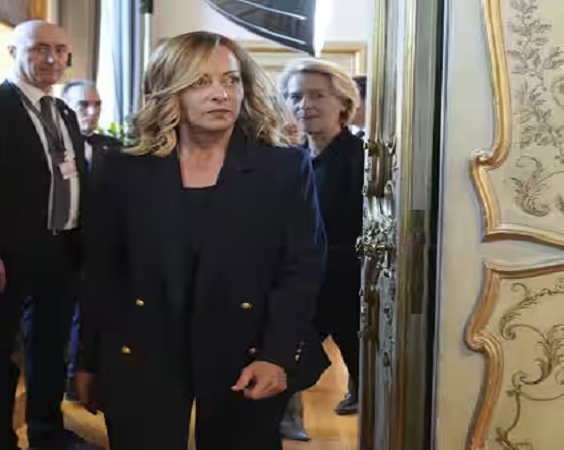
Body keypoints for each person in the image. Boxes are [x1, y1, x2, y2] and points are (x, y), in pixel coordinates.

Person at [74, 31, 330, 450]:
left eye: (231, 80)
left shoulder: (284, 169)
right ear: (167, 91)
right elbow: (101, 274)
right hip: (142, 353)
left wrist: (277, 355)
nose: (220, 94)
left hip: (246, 353)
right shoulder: (122, 170)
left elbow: (300, 271)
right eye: (200, 82)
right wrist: (86, 360)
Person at [0, 20, 87, 450]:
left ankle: (47, 432)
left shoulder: (63, 112)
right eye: (39, 48)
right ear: (13, 52)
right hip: (3, 255)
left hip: (61, 248)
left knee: (50, 349)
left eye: (60, 50)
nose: (52, 59)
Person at [279, 58, 365, 432]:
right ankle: (286, 416)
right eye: (296, 97)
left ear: (343, 103)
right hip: (301, 276)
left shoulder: (361, 158)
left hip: (345, 281)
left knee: (312, 347)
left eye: (317, 96)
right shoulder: (290, 158)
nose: (305, 105)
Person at [59, 78, 122, 400]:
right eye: (84, 105)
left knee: (91, 315)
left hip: (101, 248)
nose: (92, 112)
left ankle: (83, 379)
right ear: (65, 107)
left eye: (97, 105)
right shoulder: (52, 145)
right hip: (58, 247)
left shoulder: (113, 147)